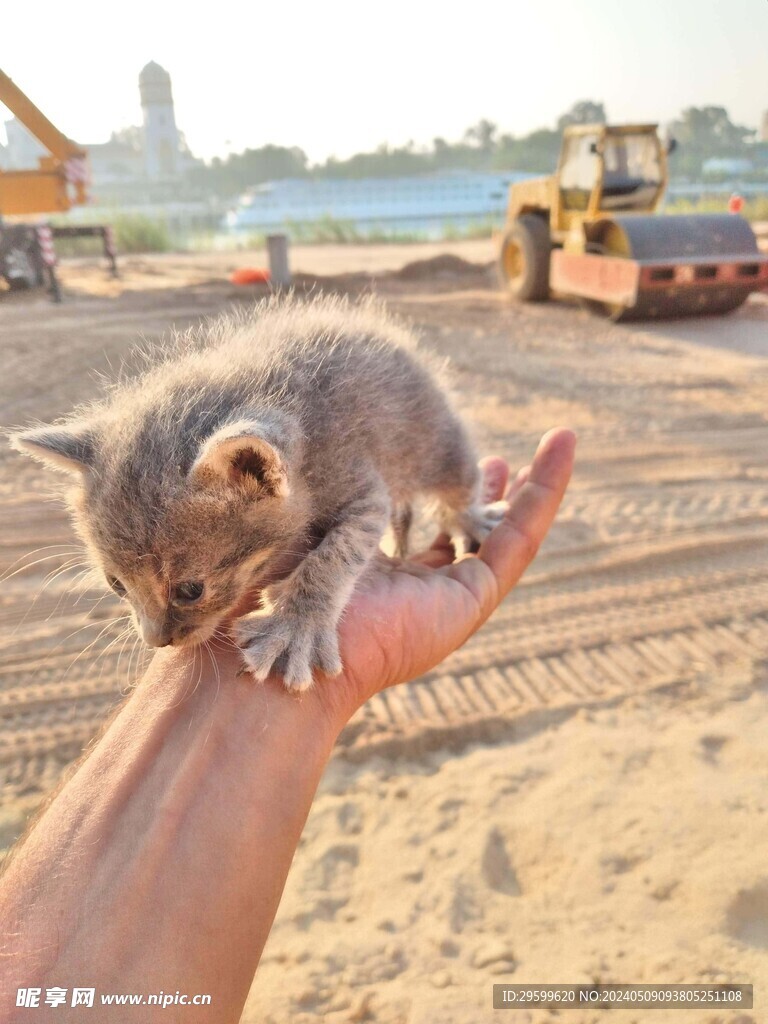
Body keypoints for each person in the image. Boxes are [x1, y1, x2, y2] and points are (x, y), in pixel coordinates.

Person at [0, 429, 575, 1023]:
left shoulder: (267, 461)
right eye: (121, 587)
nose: (152, 636)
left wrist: (309, 606)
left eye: (187, 591)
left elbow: (362, 498)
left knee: (448, 477)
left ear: (255, 471)